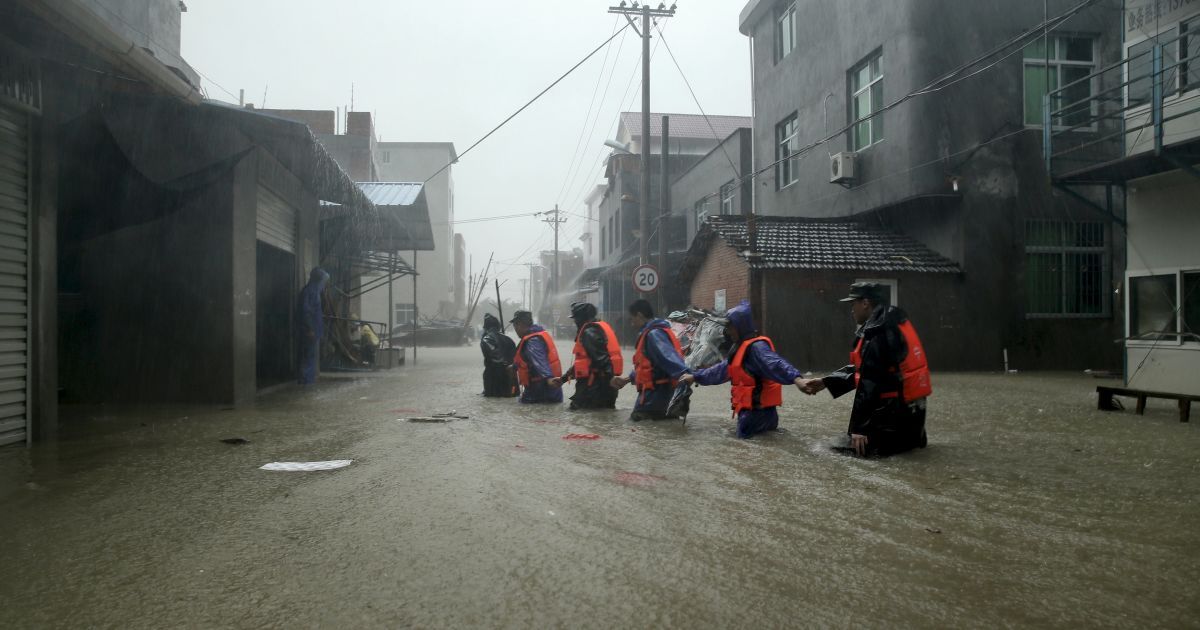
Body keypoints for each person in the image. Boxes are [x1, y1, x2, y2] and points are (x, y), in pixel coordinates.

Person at [801, 282, 931, 457]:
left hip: (892, 425)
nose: (851, 309)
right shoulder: (892, 322)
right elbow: (867, 370)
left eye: (853, 303)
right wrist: (827, 382)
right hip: (913, 426)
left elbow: (869, 381)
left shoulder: (877, 333)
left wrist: (859, 429)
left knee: (825, 451)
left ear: (865, 303)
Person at [680, 300, 808, 438]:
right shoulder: (741, 349)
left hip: (755, 415)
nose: (728, 332)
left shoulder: (756, 348)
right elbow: (720, 371)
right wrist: (695, 376)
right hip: (762, 414)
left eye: (730, 327)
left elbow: (776, 364)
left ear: (740, 327)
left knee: (744, 450)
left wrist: (797, 379)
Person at [611, 299, 690, 420]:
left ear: (639, 315)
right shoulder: (656, 332)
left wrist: (688, 376)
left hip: (652, 403)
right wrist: (627, 379)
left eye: (632, 319)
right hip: (662, 401)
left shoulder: (654, 334)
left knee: (638, 431)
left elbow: (669, 358)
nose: (632, 324)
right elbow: (650, 367)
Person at [563, 302, 622, 410]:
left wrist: (611, 379)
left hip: (593, 390)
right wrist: (563, 379)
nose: (574, 322)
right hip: (603, 388)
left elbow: (603, 360)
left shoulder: (589, 333)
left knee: (580, 415)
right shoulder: (599, 328)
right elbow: (587, 362)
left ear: (581, 318)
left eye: (575, 318)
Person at [511, 310, 564, 404]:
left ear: (520, 325)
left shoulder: (532, 341)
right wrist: (514, 367)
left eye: (515, 326)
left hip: (540, 391)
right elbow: (526, 360)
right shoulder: (535, 335)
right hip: (548, 391)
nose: (515, 330)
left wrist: (548, 378)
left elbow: (539, 360)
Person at [297, 267, 329, 385]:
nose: (324, 284)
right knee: (307, 358)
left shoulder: (315, 291)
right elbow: (306, 312)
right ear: (318, 280)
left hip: (314, 331)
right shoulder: (309, 291)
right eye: (323, 281)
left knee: (310, 357)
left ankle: (308, 382)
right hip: (309, 331)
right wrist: (310, 328)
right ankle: (305, 384)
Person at [480, 313, 518, 397]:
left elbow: (496, 359)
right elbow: (516, 359)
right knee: (510, 398)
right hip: (510, 378)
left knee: (493, 401)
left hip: (494, 379)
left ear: (485, 328)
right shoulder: (509, 340)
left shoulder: (486, 339)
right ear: (499, 327)